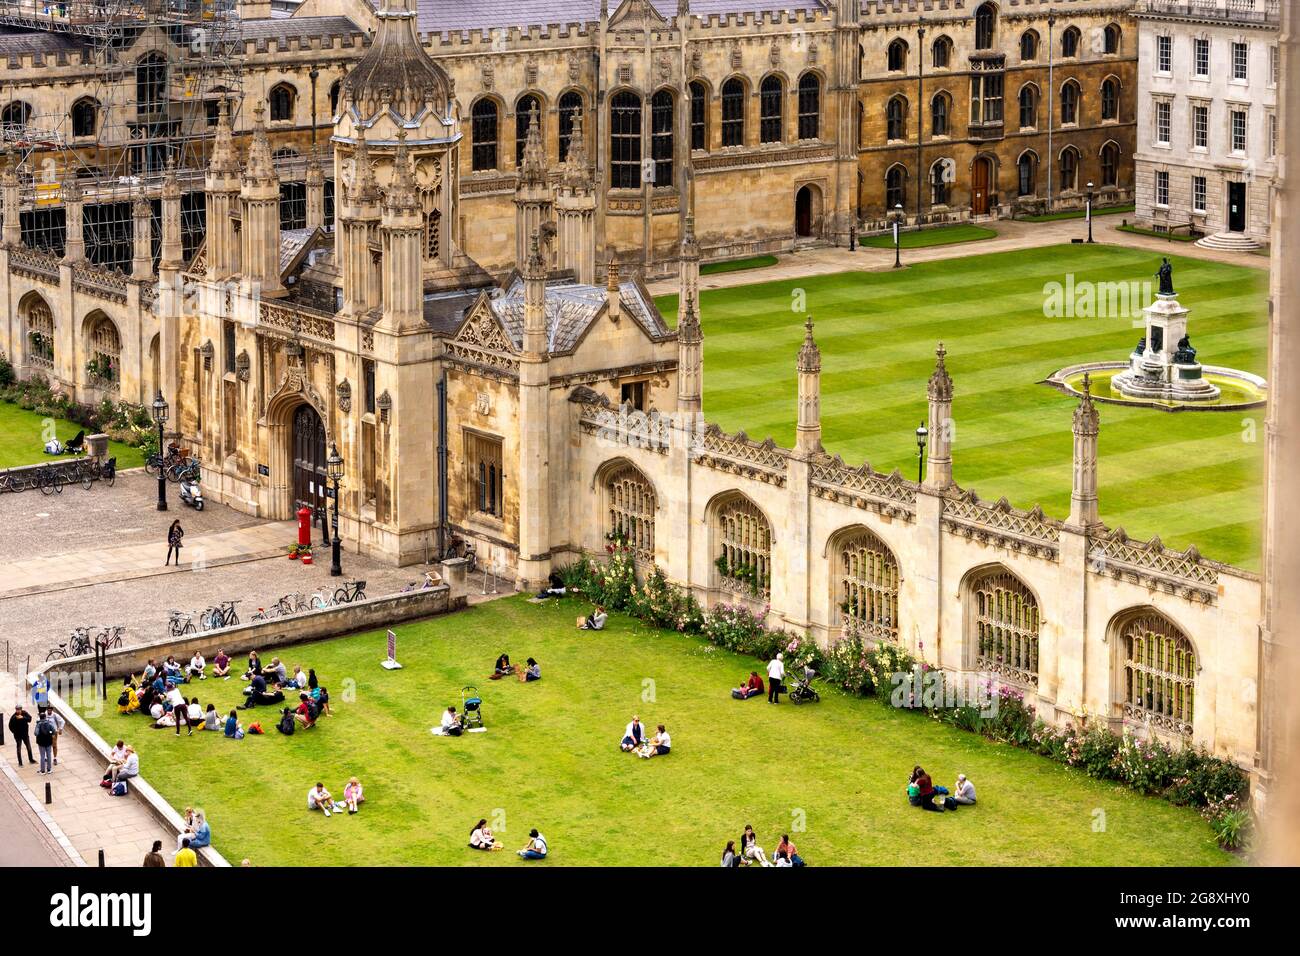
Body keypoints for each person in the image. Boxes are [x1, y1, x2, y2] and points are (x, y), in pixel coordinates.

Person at [34, 708, 56, 775]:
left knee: (42, 756)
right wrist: (50, 732)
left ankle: (42, 771)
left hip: (41, 742)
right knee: (49, 755)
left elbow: (35, 733)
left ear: (40, 718)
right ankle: (49, 770)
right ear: (45, 717)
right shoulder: (49, 723)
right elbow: (54, 731)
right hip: (48, 741)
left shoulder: (38, 724)